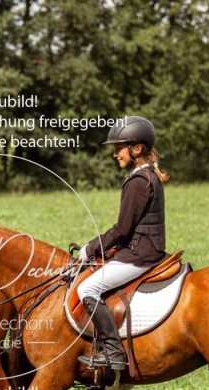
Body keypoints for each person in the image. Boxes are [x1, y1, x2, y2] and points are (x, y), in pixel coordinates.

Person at [77, 116, 170, 370]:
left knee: (86, 289)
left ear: (136, 149)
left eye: (119, 148)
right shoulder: (148, 175)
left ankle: (113, 352)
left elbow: (122, 229)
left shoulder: (139, 181)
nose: (115, 154)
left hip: (140, 254)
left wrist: (90, 248)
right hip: (145, 248)